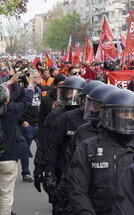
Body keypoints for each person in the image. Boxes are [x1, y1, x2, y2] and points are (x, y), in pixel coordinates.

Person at [65, 89, 134, 215]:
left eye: (133, 115)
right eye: (124, 114)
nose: (129, 119)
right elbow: (77, 188)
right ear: (109, 115)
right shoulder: (88, 148)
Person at [34, 76, 86, 206]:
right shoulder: (55, 115)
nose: (69, 96)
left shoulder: (88, 118)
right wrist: (41, 170)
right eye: (66, 92)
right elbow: (45, 143)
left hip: (83, 170)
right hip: (60, 168)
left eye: (72, 92)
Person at [0, 72, 34, 215]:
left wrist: (8, 82)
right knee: (6, 194)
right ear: (7, 99)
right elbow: (27, 101)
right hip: (7, 157)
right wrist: (31, 86)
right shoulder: (12, 109)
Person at [18, 69, 42, 183]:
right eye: (36, 76)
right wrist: (22, 121)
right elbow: (18, 108)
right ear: (29, 79)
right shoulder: (23, 91)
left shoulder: (38, 89)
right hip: (28, 125)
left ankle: (40, 172)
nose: (39, 78)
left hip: (38, 125)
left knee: (43, 149)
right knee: (25, 151)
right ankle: (26, 173)